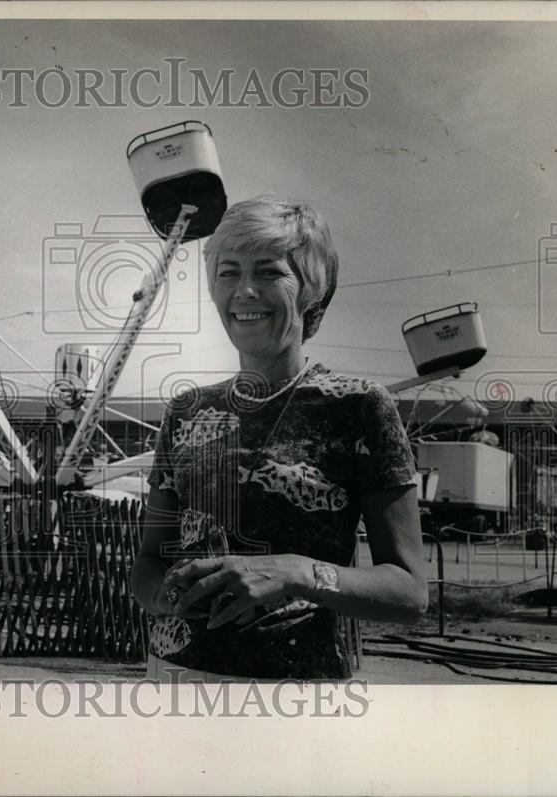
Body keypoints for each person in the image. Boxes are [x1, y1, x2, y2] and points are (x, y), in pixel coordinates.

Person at [131, 196, 428, 681]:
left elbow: (410, 594)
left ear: (310, 289)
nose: (244, 291)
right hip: (173, 682)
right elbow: (147, 566)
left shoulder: (356, 406)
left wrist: (294, 573)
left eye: (268, 272)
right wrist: (176, 596)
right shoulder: (186, 411)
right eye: (228, 273)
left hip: (296, 694)